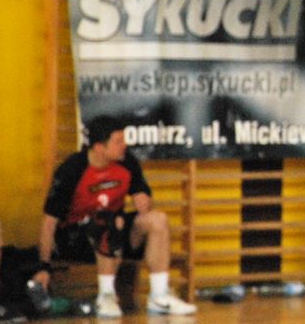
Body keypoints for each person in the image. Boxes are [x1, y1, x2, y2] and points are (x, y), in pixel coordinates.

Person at [32, 116, 196, 317]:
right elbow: (49, 223)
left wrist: (143, 198)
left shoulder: (127, 162)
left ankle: (159, 296)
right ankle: (106, 296)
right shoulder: (71, 169)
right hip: (76, 240)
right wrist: (44, 266)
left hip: (115, 231)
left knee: (157, 219)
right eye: (118, 141)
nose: (124, 145)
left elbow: (142, 194)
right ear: (99, 147)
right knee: (106, 220)